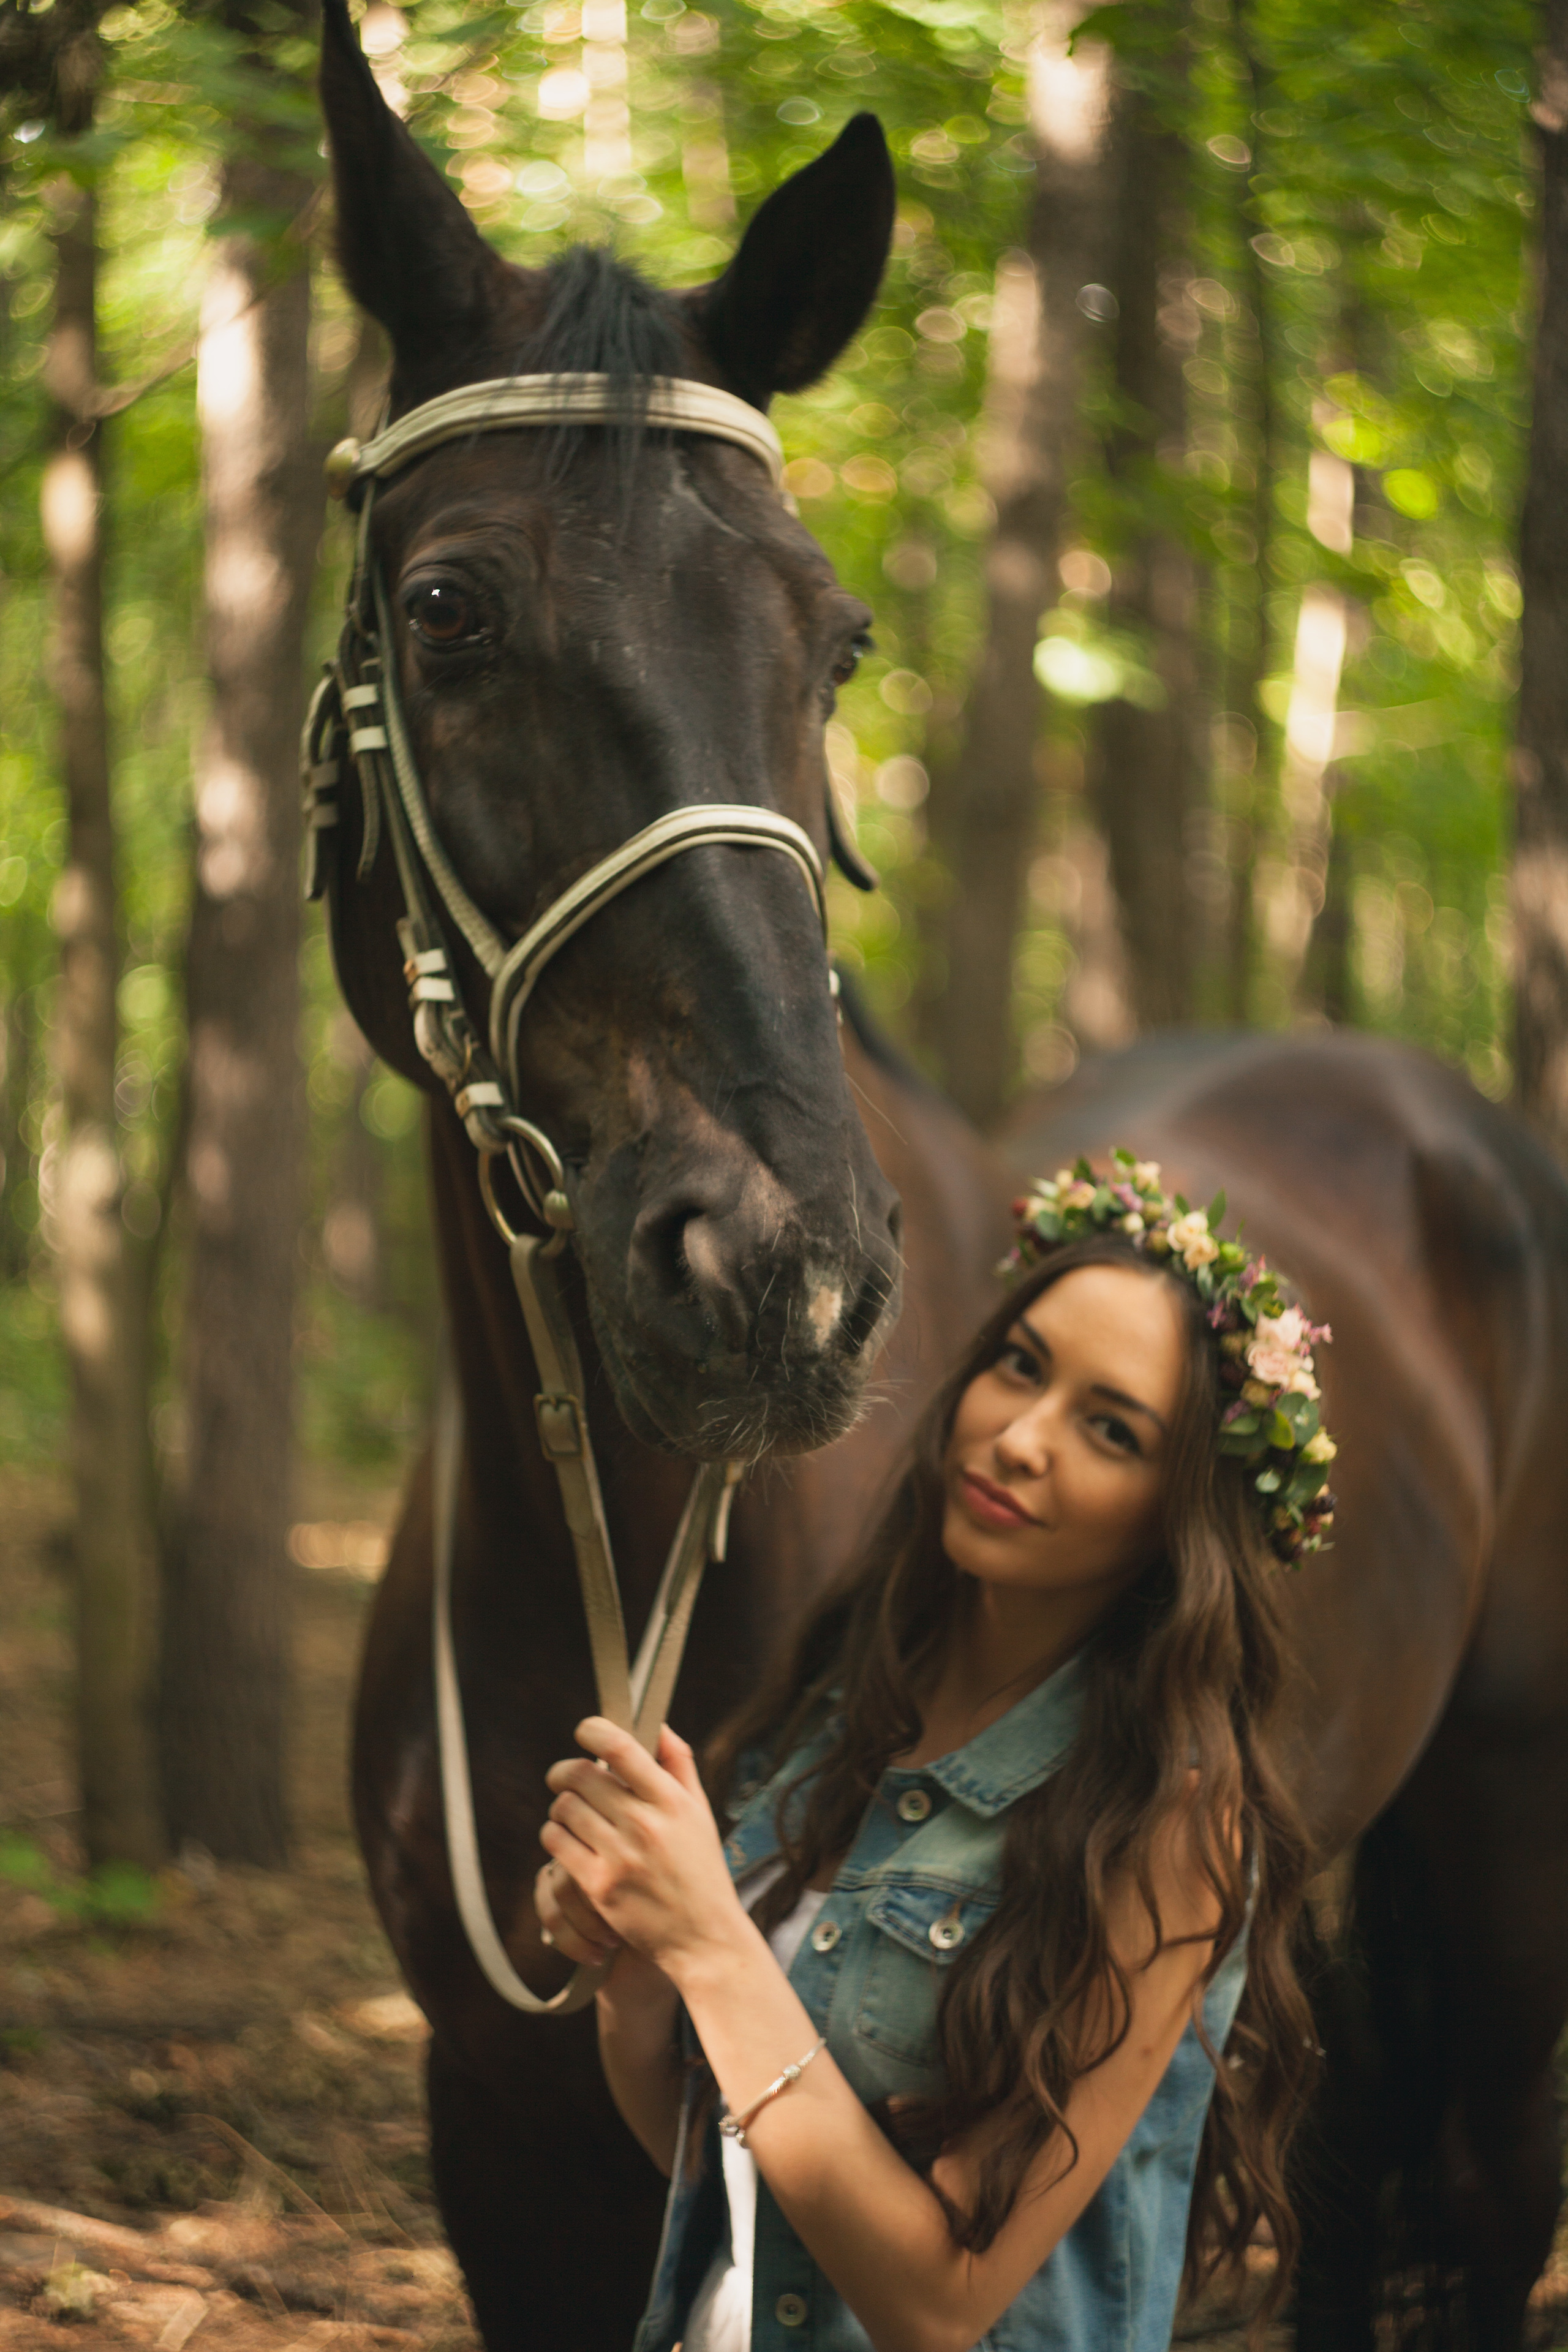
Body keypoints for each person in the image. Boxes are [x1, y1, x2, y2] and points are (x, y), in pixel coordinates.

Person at [535, 1155, 1330, 2352]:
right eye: (1019, 1368)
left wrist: (710, 1938)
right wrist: (639, 1969)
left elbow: (939, 2302)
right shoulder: (848, 1705)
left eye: (1107, 1428)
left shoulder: (1170, 1817)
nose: (1018, 1439)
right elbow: (735, 2172)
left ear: (1178, 1518)